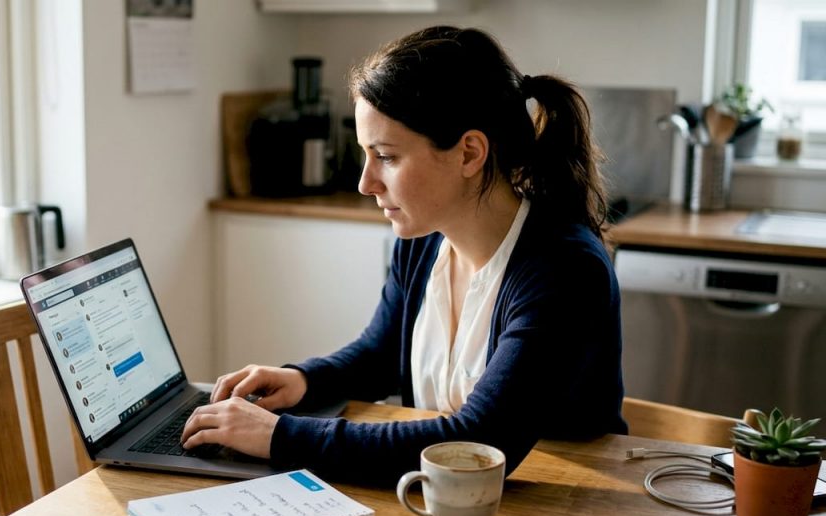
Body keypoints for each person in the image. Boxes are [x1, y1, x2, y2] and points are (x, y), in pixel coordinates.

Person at [181, 26, 627, 485]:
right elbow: (381, 352)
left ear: (469, 153)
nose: (366, 183)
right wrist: (304, 381)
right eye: (366, 155)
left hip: (569, 514)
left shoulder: (564, 270)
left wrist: (280, 437)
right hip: (448, 509)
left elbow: (476, 443)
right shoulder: (424, 237)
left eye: (387, 157)